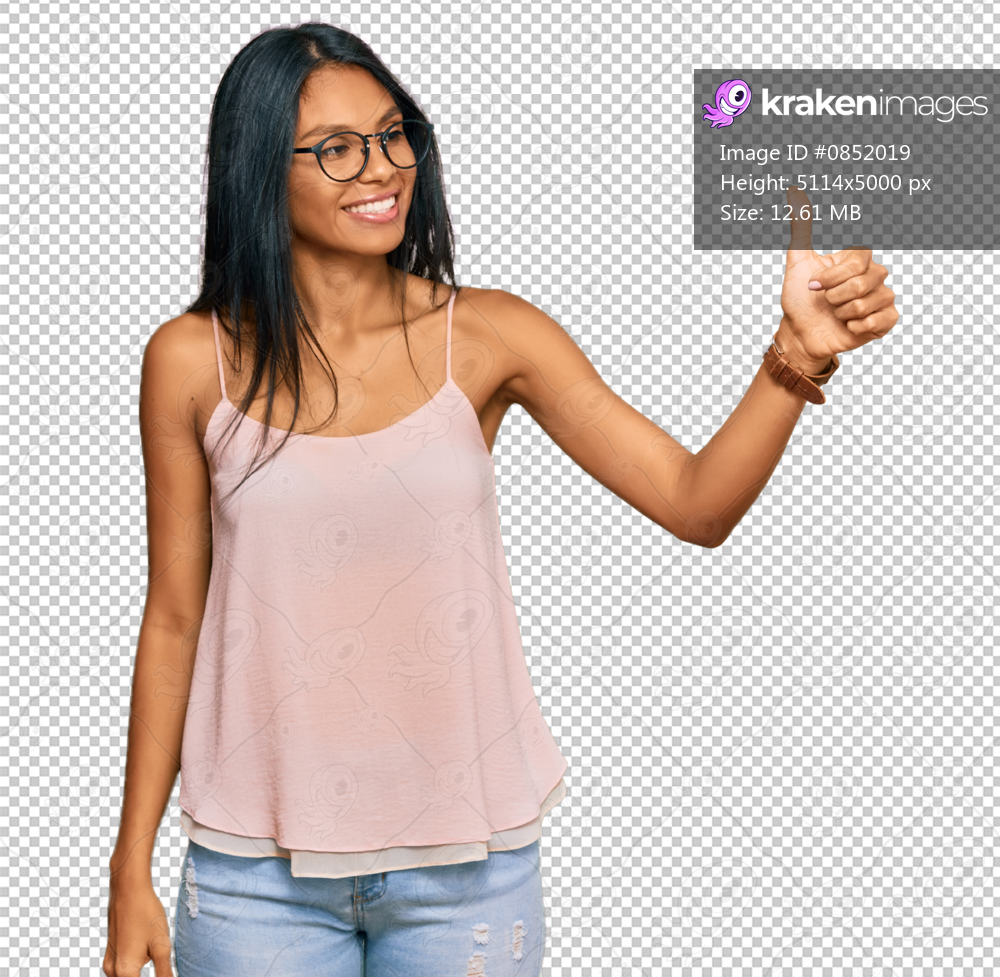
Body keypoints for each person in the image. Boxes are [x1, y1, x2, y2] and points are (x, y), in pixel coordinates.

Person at [102, 22, 899, 977]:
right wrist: (129, 865)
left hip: (467, 878)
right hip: (250, 878)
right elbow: (176, 618)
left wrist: (797, 357)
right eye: (338, 148)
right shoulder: (191, 359)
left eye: (394, 134)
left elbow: (697, 504)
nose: (381, 168)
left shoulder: (488, 335)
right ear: (258, 169)